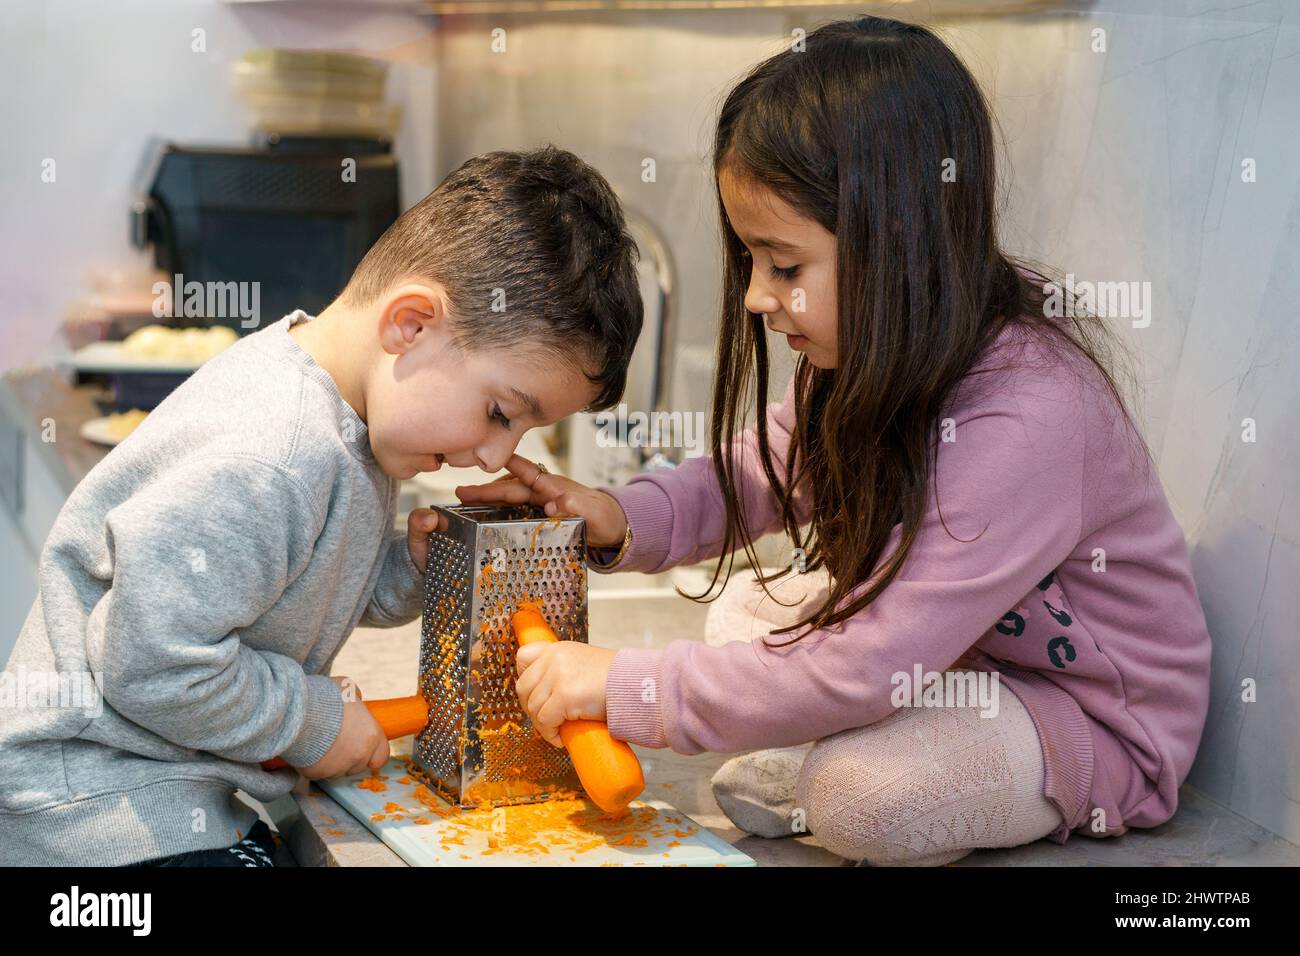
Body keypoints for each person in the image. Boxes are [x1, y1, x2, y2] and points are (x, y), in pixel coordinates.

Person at [458, 17, 1213, 866]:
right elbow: (756, 474)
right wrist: (613, 517)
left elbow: (871, 661)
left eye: (783, 267)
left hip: (1078, 714)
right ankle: (819, 750)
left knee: (860, 801)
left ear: (900, 244)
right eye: (751, 261)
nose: (754, 297)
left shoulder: (1030, 413)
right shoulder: (864, 346)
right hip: (943, 659)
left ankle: (826, 766)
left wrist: (629, 687)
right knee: (746, 610)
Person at [0, 145, 644, 866]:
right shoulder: (273, 454)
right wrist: (313, 723)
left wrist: (406, 568)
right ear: (411, 325)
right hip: (90, 813)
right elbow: (152, 664)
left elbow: (285, 583)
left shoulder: (348, 417)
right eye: (500, 412)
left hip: (159, 791)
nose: (498, 455)